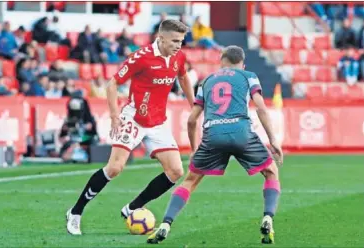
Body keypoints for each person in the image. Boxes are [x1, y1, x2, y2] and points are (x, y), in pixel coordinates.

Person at [66, 19, 195, 235]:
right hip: (133, 118)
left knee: (175, 171)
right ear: (160, 38)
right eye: (174, 40)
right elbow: (112, 83)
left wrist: (194, 104)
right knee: (114, 168)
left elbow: (183, 77)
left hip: (158, 121)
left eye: (181, 41)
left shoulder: (178, 57)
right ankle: (75, 212)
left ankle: (133, 207)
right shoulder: (141, 57)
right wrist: (115, 116)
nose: (178, 45)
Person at [147, 46, 283, 245]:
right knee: (271, 171)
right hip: (241, 131)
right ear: (242, 64)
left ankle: (166, 224)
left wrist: (194, 150)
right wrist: (273, 140)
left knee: (190, 181)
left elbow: (192, 120)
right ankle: (268, 218)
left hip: (213, 134)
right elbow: (260, 107)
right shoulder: (249, 76)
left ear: (221, 62)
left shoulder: (207, 81)